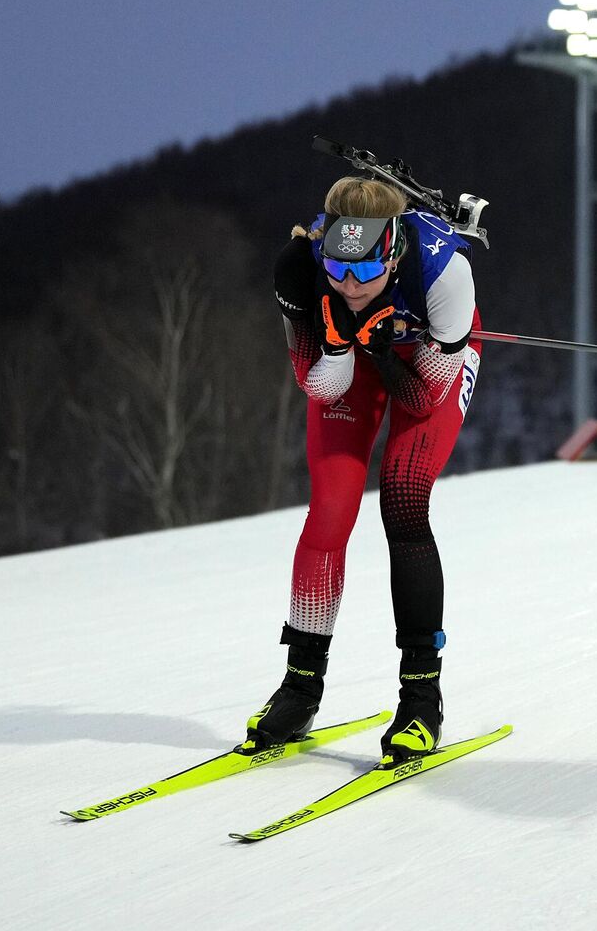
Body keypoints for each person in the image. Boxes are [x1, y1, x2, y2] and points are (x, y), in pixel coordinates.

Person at [250, 174, 481, 763]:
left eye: (366, 273)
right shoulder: (299, 269)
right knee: (329, 511)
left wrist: (382, 346)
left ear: (394, 251)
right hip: (351, 360)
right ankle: (300, 686)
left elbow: (424, 398)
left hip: (426, 362)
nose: (351, 287)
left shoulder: (445, 276)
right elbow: (315, 384)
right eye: (339, 271)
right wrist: (337, 346)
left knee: (402, 500)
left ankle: (421, 698)